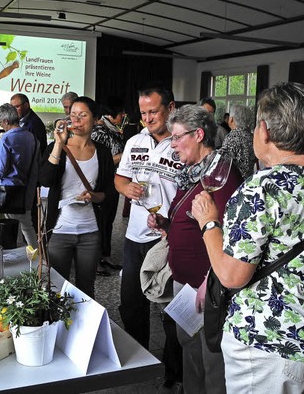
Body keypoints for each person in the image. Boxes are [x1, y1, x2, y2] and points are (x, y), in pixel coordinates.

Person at [191, 82, 304, 393]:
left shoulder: (263, 187)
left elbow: (231, 276)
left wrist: (208, 223)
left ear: (264, 131)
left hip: (273, 343)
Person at [149, 105, 241, 394]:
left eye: (177, 138)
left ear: (199, 134)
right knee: (190, 348)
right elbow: (190, 217)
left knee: (211, 358)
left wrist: (209, 280)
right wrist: (165, 222)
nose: (173, 145)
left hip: (207, 285)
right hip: (185, 280)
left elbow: (233, 237)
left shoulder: (223, 176)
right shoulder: (191, 172)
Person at [115, 84, 182, 390]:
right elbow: (120, 178)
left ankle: (173, 372)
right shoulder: (135, 141)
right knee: (131, 303)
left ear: (170, 108)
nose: (148, 118)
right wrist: (125, 188)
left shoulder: (183, 143)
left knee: (171, 309)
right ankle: (140, 358)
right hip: (134, 237)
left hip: (168, 238)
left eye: (153, 111)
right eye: (143, 113)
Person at [38, 96, 115, 298]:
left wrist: (94, 196)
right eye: (73, 116)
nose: (77, 121)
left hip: (91, 231)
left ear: (95, 118)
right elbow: (45, 179)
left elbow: (108, 192)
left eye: (83, 115)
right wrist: (58, 144)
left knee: (86, 290)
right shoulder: (58, 148)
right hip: (60, 229)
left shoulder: (103, 153)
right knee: (56, 288)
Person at [0, 103, 39, 248]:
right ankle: (29, 255)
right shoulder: (31, 137)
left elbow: (2, 169)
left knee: (23, 226)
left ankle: (37, 258)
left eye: (0, 122)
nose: (1, 125)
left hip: (9, 189)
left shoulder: (5, 139)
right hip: (28, 188)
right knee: (24, 223)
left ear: (6, 121)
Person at [90, 101, 125, 275]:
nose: (123, 116)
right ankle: (95, 261)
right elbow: (98, 162)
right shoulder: (99, 132)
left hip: (114, 180)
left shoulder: (113, 130)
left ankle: (106, 256)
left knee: (109, 221)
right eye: (121, 113)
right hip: (102, 182)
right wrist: (122, 157)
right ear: (111, 114)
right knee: (100, 222)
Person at [219, 104, 257, 180]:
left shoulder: (232, 137)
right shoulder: (252, 137)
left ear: (231, 119)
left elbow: (221, 164)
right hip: (249, 181)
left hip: (235, 183)